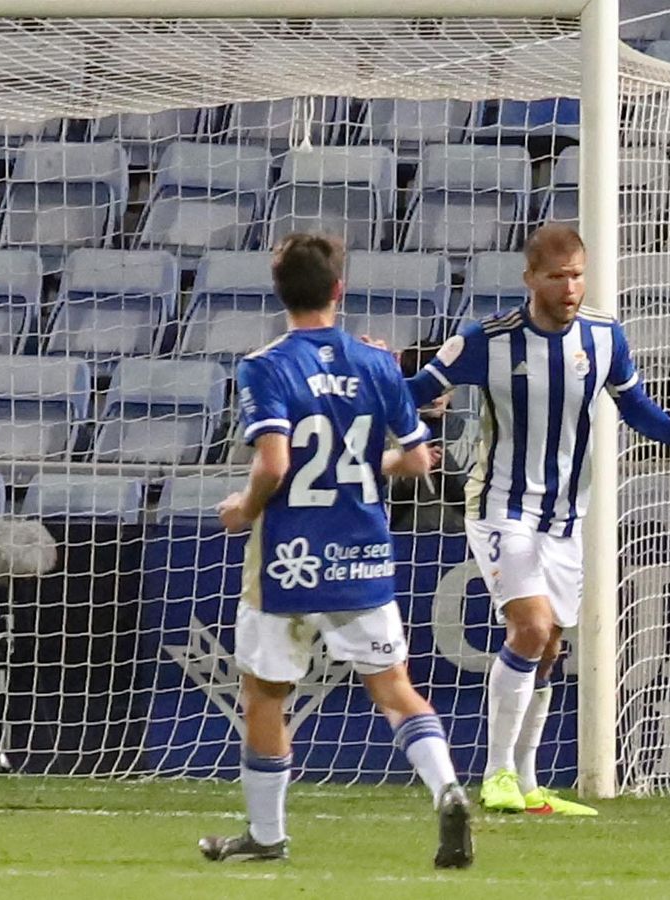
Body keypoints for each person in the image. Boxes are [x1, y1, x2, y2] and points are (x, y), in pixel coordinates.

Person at [407, 224, 670, 816]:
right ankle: (496, 775)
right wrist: (380, 375)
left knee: (549, 645)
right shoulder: (486, 340)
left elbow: (639, 412)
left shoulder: (605, 337)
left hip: (565, 518)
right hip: (501, 511)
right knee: (531, 629)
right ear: (529, 278)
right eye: (557, 276)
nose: (569, 287)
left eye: (577, 275)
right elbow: (413, 392)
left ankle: (530, 785)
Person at [199, 233, 472, 868]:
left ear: (280, 293)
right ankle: (448, 789)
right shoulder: (376, 364)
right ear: (338, 291)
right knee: (394, 688)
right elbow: (416, 457)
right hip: (361, 556)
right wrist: (374, 461)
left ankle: (266, 836)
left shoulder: (265, 365)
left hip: (287, 560)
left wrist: (244, 508)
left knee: (266, 695)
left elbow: (274, 460)